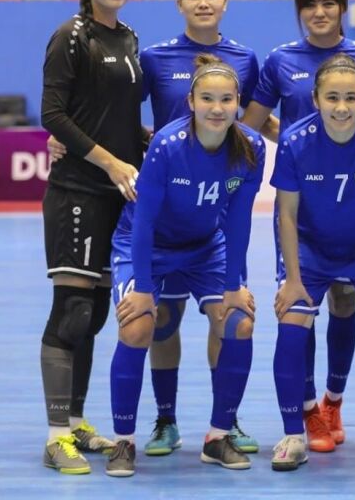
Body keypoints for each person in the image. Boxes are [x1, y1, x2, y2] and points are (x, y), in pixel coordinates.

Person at [243, 0, 355, 453]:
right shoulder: (281, 59)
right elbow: (251, 123)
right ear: (299, 11)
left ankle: (333, 401)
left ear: (342, 7)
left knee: (345, 302)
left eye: (328, 3)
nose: (319, 13)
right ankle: (307, 413)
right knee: (298, 305)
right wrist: (294, 142)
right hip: (301, 205)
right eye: (310, 4)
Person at [105, 54, 265, 477]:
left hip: (205, 245)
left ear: (238, 103)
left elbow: (238, 220)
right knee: (138, 327)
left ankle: (217, 436)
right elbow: (144, 220)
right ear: (191, 101)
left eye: (226, 99)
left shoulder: (251, 147)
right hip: (147, 244)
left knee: (239, 323)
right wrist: (142, 288)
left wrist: (234, 284)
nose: (217, 108)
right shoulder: (167, 144)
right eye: (207, 99)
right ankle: (123, 441)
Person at [137, 0, 261, 456]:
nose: (203, 3)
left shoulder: (245, 58)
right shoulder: (154, 58)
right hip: (166, 212)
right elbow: (121, 115)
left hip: (215, 217)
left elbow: (249, 125)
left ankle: (223, 421)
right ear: (179, 4)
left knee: (226, 316)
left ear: (225, 2)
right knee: (163, 320)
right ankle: (165, 420)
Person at [270, 54, 355, 472]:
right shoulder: (295, 141)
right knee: (292, 326)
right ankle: (293, 435)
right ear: (316, 99)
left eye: (351, 97)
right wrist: (293, 280)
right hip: (311, 248)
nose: (342, 107)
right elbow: (286, 215)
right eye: (332, 97)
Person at [39, 0, 142, 475]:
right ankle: (56, 435)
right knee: (72, 312)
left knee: (96, 315)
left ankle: (76, 421)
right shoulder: (70, 36)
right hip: (77, 191)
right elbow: (53, 115)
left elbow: (117, 118)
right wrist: (110, 162)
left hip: (115, 197)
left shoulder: (128, 37)